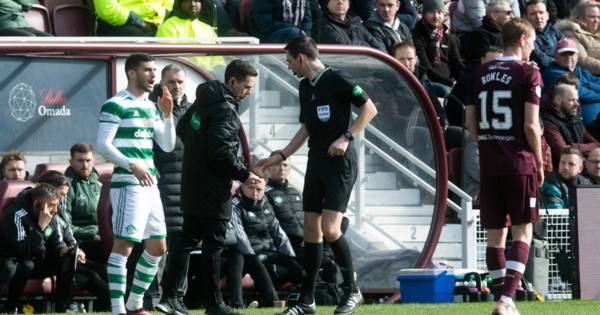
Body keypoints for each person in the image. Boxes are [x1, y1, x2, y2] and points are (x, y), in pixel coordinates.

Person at [257, 36, 377, 315]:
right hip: (316, 160)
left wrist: (347, 136)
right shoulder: (304, 87)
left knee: (331, 229)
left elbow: (369, 109)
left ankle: (351, 291)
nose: (288, 66)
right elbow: (307, 128)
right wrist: (281, 155)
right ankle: (307, 301)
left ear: (301, 57)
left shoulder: (337, 79)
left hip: (340, 164)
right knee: (311, 229)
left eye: (289, 60)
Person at [464, 18, 544, 315]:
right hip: (519, 162)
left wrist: (491, 143)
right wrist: (537, 158)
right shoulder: (528, 74)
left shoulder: (480, 72)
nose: (533, 46)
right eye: (533, 40)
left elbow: (471, 124)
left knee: (495, 236)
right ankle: (508, 299)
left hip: (489, 163)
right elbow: (531, 126)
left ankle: (502, 301)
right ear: (522, 38)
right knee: (523, 232)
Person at [177, 59, 260, 315]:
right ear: (232, 81)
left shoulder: (203, 100)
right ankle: (214, 303)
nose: (248, 93)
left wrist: (198, 154)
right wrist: (245, 174)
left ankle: (169, 296)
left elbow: (182, 127)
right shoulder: (225, 108)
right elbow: (222, 154)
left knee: (187, 238)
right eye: (246, 87)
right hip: (214, 187)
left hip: (192, 181)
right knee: (214, 244)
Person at [96, 53, 176, 315]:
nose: (153, 75)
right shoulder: (115, 104)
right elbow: (102, 146)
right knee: (125, 246)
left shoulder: (151, 106)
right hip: (128, 183)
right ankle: (118, 310)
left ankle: (135, 304)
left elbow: (167, 145)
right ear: (131, 73)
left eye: (155, 70)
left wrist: (167, 116)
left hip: (149, 182)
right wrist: (132, 164)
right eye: (147, 70)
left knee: (158, 246)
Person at [148, 65, 192, 315]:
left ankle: (176, 297)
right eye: (171, 82)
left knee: (182, 244)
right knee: (157, 246)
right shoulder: (151, 110)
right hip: (159, 187)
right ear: (161, 83)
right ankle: (154, 297)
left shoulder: (192, 110)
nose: (176, 87)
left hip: (186, 188)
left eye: (180, 82)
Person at [37, 170, 110, 312]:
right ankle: (63, 307)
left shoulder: (61, 211)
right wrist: (71, 250)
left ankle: (129, 300)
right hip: (53, 262)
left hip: (68, 257)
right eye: (61, 194)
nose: (63, 199)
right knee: (92, 277)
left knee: (103, 270)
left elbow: (69, 235)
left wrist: (77, 250)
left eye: (64, 194)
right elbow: (51, 244)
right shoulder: (40, 213)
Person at [229, 172, 302, 308]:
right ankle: (272, 303)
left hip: (269, 252)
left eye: (259, 189)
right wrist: (253, 256)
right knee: (255, 264)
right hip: (248, 254)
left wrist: (290, 256)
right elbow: (240, 236)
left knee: (297, 270)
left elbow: (278, 231)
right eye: (251, 188)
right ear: (242, 187)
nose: (255, 192)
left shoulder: (266, 204)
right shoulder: (235, 204)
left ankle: (307, 300)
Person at [0, 183, 74, 313]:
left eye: (57, 205)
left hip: (39, 259)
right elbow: (22, 250)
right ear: (37, 205)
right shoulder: (16, 214)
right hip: (18, 259)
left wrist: (65, 250)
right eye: (52, 205)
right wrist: (40, 227)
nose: (56, 210)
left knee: (68, 257)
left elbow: (56, 242)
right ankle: (10, 307)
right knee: (24, 265)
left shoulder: (53, 215)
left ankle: (61, 308)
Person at [412, 0, 464, 98]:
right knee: (447, 92)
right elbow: (425, 66)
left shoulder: (447, 36)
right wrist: (450, 82)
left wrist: (464, 80)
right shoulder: (417, 36)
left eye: (439, 12)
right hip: (430, 83)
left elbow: (456, 61)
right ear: (424, 14)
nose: (436, 16)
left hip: (450, 81)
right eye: (431, 12)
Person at [542, 38, 600, 125]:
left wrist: (588, 85)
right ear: (556, 56)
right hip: (570, 123)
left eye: (571, 53)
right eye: (564, 54)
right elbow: (579, 93)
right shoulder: (552, 73)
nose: (568, 57)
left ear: (577, 56)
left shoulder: (577, 69)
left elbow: (596, 81)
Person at [541, 82, 600, 166]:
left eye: (577, 100)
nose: (577, 104)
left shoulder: (574, 117)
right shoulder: (548, 122)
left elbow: (597, 144)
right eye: (572, 100)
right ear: (558, 100)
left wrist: (575, 147)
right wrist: (586, 148)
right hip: (564, 172)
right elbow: (563, 152)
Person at [155, 0, 224, 72]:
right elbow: (168, 59)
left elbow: (218, 61)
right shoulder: (168, 26)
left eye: (196, 1)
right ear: (179, 3)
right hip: (179, 75)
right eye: (187, 1)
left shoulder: (207, 29)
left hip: (208, 76)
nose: (193, 4)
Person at [391, 42, 447, 129]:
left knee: (460, 135)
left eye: (410, 59)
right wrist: (426, 123)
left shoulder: (423, 78)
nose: (406, 63)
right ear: (393, 60)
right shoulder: (389, 83)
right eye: (402, 59)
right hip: (404, 131)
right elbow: (393, 117)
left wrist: (442, 122)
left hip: (430, 128)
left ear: (416, 59)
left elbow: (435, 105)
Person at [315, 0, 386, 52]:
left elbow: (376, 44)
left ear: (349, 4)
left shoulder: (355, 22)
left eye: (344, 0)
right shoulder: (321, 25)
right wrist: (368, 47)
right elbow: (347, 47)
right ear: (327, 4)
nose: (340, 2)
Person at [556, 0, 600, 75]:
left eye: (598, 17)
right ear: (580, 17)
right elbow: (582, 60)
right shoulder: (572, 33)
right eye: (592, 17)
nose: (596, 20)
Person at [466, 0, 513, 70]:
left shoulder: (507, 32)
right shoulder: (481, 35)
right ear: (494, 16)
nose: (512, 16)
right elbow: (484, 62)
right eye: (508, 13)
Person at [94, 0, 174, 36]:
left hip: (156, 27)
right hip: (122, 24)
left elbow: (169, 5)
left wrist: (162, 23)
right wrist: (139, 22)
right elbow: (107, 9)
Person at [525, 0, 564, 70]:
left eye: (541, 12)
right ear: (526, 18)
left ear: (547, 15)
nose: (538, 17)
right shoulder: (528, 36)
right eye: (533, 14)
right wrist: (560, 62)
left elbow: (566, 47)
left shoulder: (554, 30)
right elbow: (541, 59)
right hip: (547, 71)